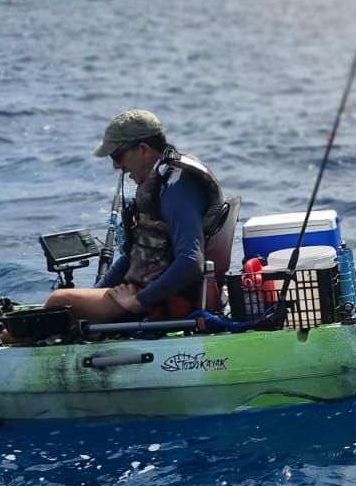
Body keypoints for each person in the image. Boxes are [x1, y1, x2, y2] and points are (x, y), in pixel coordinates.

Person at [41, 109, 223, 325]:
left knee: (58, 300)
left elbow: (191, 262)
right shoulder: (163, 179)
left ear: (143, 149)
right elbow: (135, 254)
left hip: (161, 301)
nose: (116, 166)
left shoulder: (176, 187)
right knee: (68, 307)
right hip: (142, 291)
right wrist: (96, 295)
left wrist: (138, 300)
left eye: (118, 156)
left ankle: (4, 342)